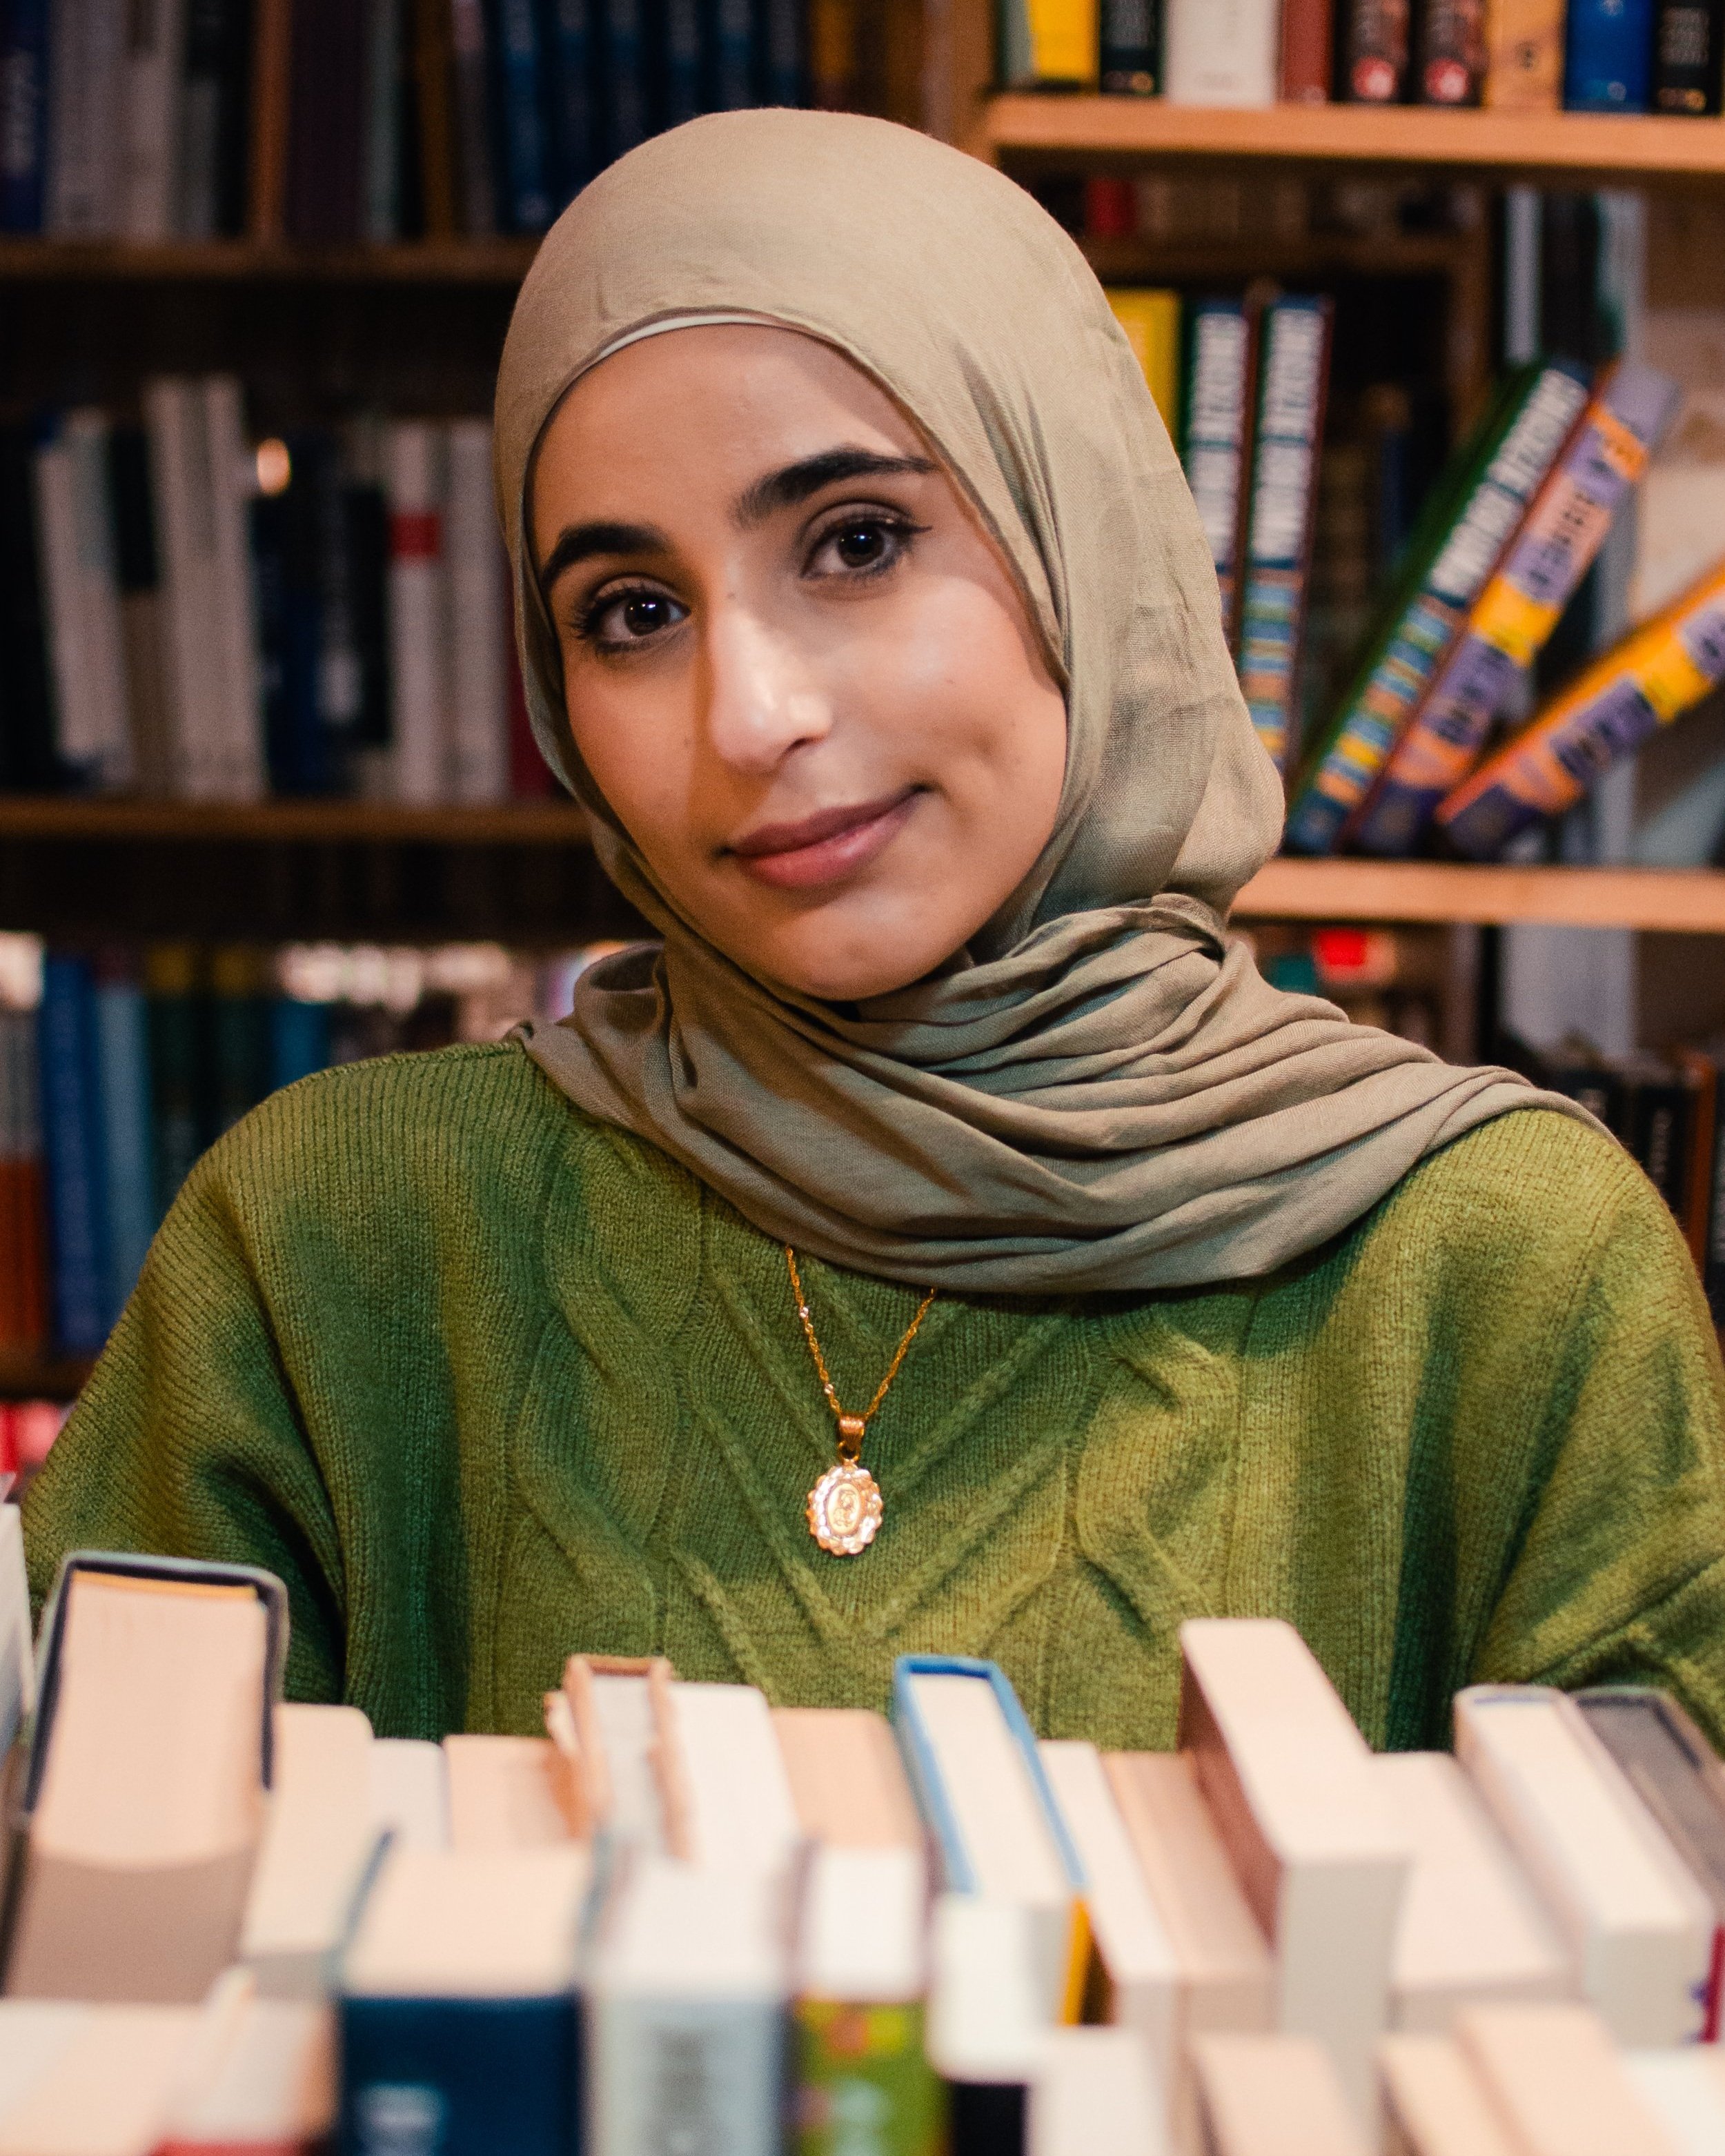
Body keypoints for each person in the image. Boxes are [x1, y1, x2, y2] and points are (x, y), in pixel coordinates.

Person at [24, 111, 1725, 1753]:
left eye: (855, 541)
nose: (746, 714)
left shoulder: (1505, 1270)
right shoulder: (337, 1242)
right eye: (630, 613)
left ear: (1083, 547)